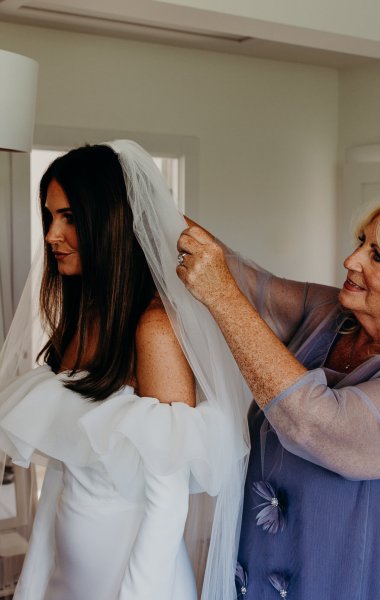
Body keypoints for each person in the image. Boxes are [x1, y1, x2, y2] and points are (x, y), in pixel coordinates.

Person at [0, 141, 251, 600]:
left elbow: (167, 498)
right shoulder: (83, 318)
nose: (52, 234)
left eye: (70, 218)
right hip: (70, 576)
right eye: (49, 215)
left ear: (110, 222)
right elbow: (61, 471)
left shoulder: (153, 330)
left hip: (136, 582)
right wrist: (33, 585)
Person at [177, 199, 380, 599]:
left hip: (342, 574)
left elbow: (314, 423)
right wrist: (139, 199)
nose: (350, 260)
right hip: (259, 555)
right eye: (361, 242)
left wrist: (222, 298)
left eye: (377, 256)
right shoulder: (328, 312)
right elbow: (242, 278)